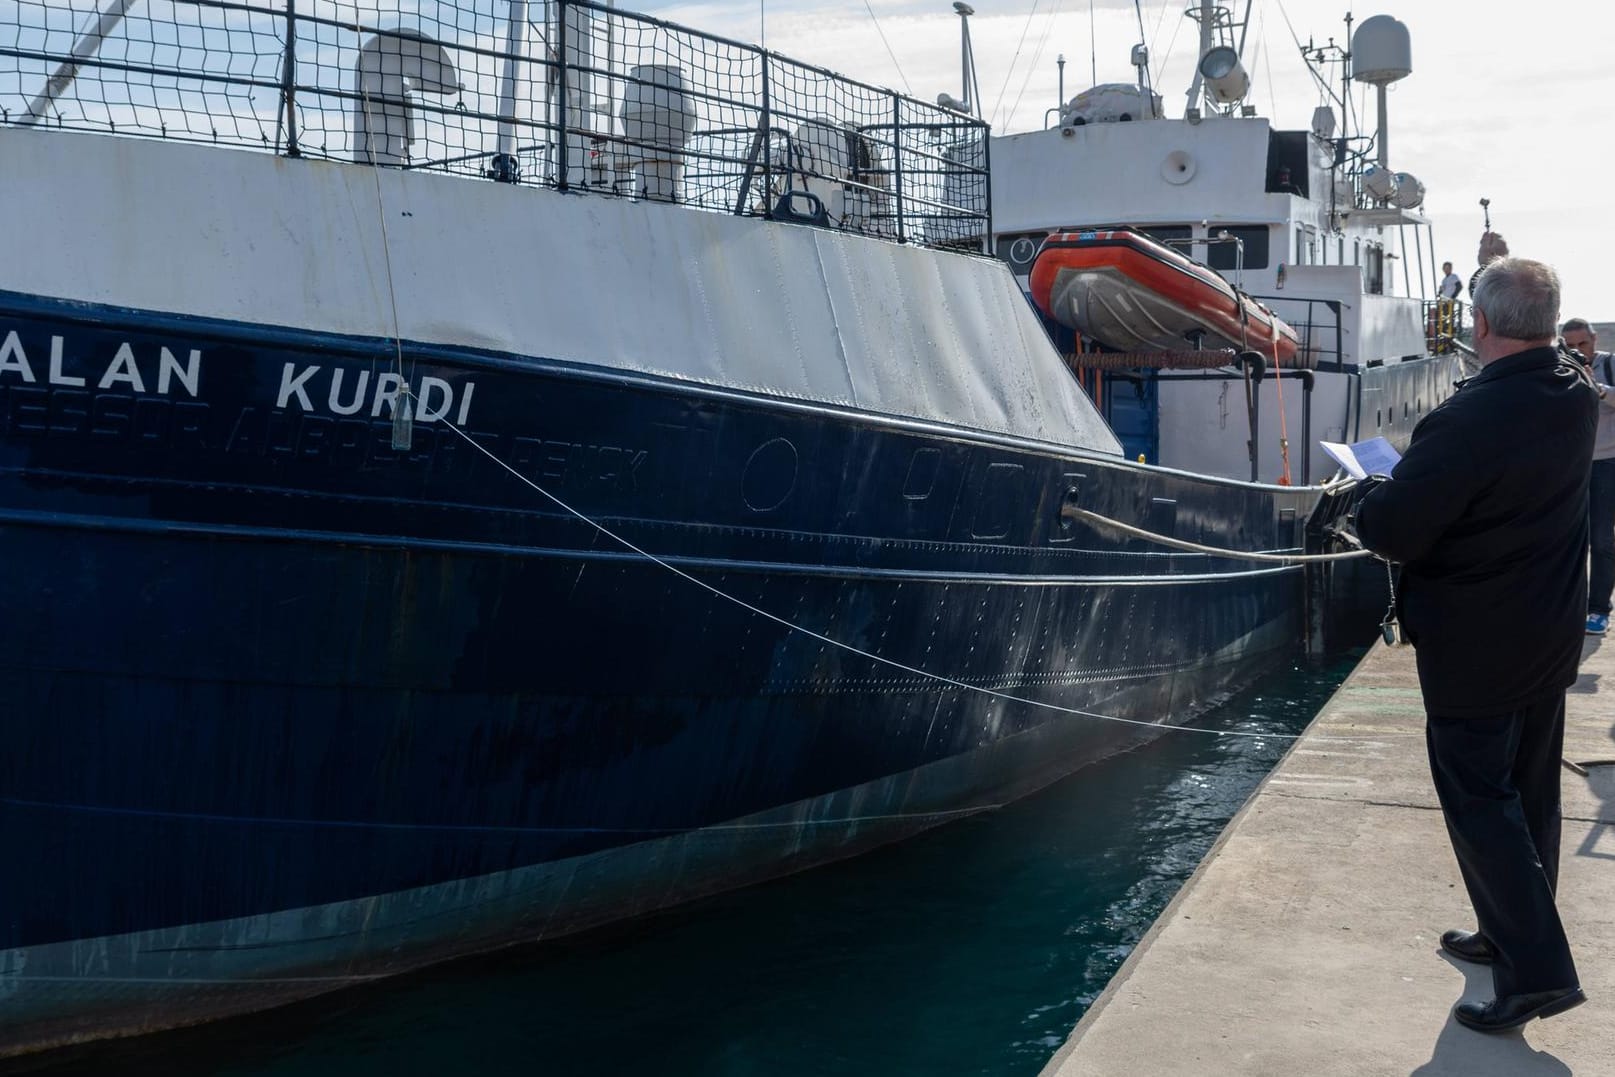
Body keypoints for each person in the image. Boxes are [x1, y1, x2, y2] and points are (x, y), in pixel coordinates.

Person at [1354, 257, 1594, 1034]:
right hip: (1546, 629)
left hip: (1478, 642)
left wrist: (1365, 496)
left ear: (1479, 324)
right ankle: (1507, 932)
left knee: (1480, 801)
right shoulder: (1572, 393)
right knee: (1529, 794)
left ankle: (1539, 973)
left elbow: (1394, 531)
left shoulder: (1465, 419)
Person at [1562, 317, 1615, 635]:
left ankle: (1598, 609)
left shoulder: (1608, 365)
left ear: (1594, 339)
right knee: (1567, 541)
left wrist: (1597, 388)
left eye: (1583, 344)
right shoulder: (1561, 371)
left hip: (1607, 464)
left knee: (1602, 539)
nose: (1578, 351)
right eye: (1570, 346)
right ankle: (1570, 606)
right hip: (1571, 466)